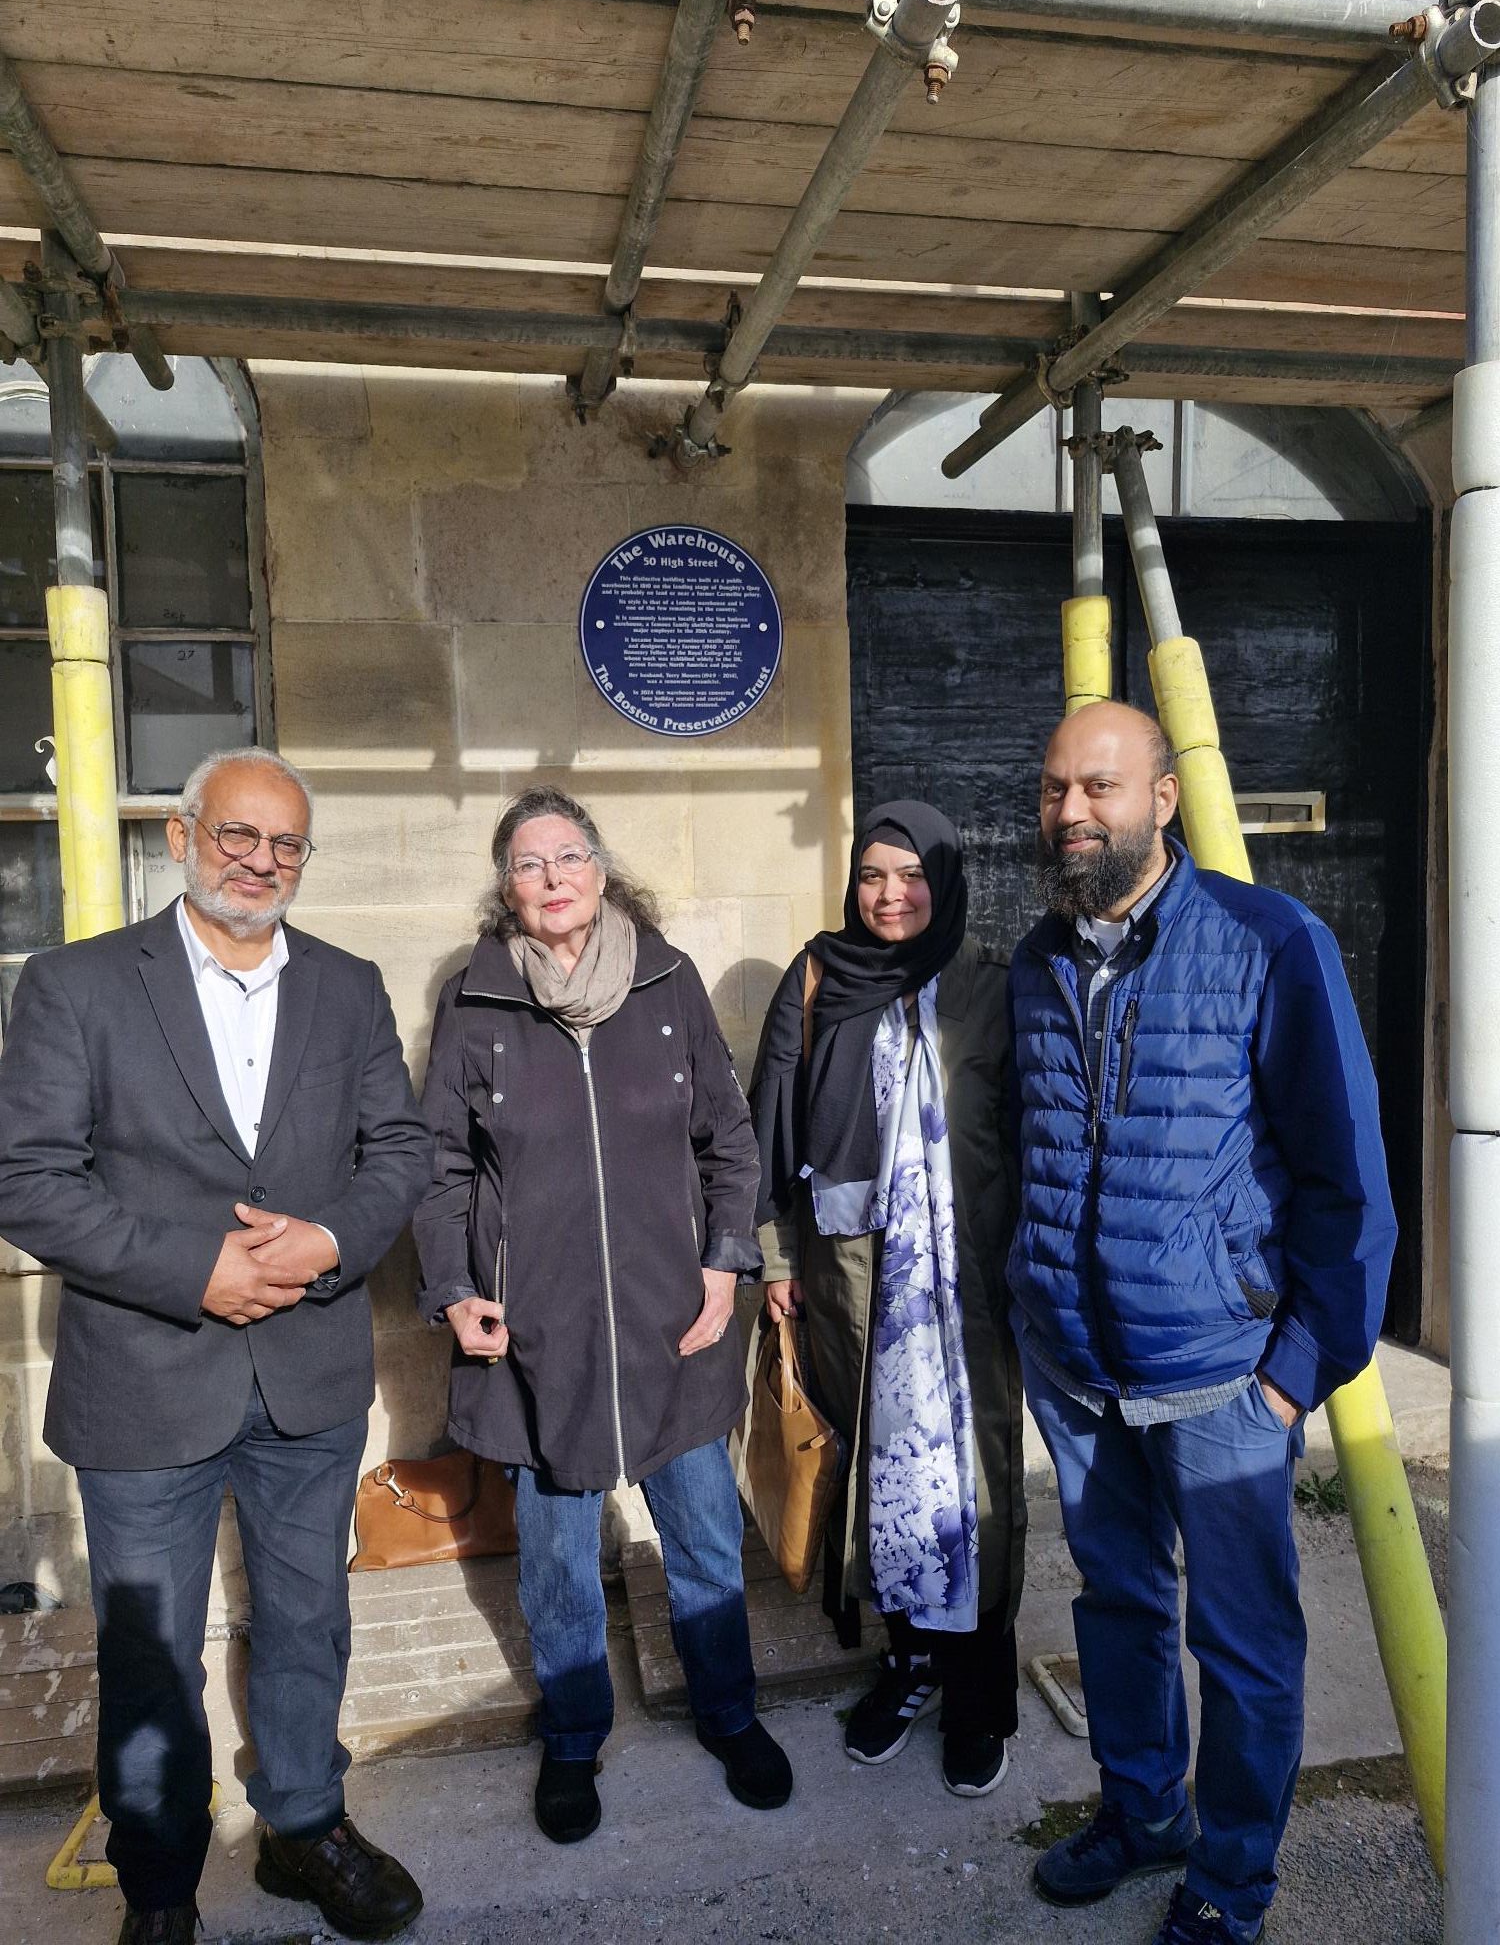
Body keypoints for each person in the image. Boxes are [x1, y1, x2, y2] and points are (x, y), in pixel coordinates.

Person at [0, 748, 433, 1945]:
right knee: (149, 1650)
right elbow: (28, 1177)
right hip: (144, 1380)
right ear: (185, 836)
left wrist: (330, 1238)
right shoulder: (77, 983)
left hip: (308, 1376)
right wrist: (197, 1269)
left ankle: (304, 1824)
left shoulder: (347, 986)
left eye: (286, 843)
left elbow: (399, 1151)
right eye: (238, 834)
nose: (261, 860)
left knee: (307, 1617)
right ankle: (158, 1886)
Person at [1008, 701, 1397, 1945]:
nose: (1074, 810)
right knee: (1116, 1604)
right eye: (1057, 787)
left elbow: (1347, 1185)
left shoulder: (1271, 940)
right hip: (1077, 1371)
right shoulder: (1036, 956)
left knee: (1242, 1643)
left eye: (1101, 786)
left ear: (1163, 798)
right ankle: (1141, 1809)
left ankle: (1230, 1876)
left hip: (1226, 1373)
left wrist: (1297, 1372)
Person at [412, 784, 792, 1846]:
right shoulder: (475, 998)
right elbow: (439, 1165)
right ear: (505, 887)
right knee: (556, 1559)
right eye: (529, 863)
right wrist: (452, 1288)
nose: (552, 878)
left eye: (568, 855)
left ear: (601, 865)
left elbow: (730, 1138)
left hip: (674, 1319)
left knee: (708, 1538)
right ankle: (575, 1733)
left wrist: (728, 1263)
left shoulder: (666, 979)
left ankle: (729, 1710)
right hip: (539, 1334)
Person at [749, 800, 1024, 1797]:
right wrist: (776, 1261)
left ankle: (976, 1688)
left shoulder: (995, 986)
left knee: (977, 1489)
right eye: (872, 873)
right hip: (856, 1283)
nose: (891, 893)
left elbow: (1037, 1137)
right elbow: (768, 1136)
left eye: (912, 873)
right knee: (883, 1475)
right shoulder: (819, 979)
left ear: (945, 878)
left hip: (974, 1295)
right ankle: (907, 1660)